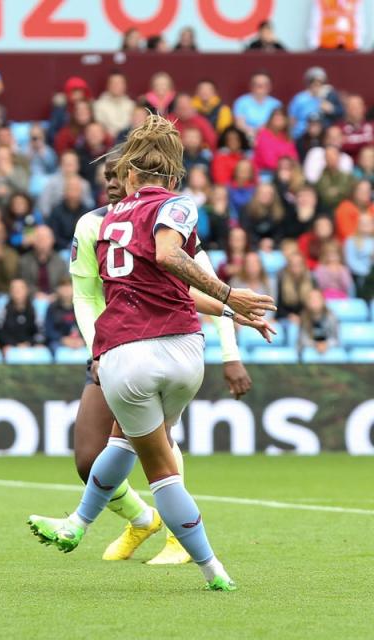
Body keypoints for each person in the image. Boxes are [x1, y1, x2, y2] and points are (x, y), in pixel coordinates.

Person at [28, 119, 274, 590]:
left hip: (128, 353)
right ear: (173, 176)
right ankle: (78, 524)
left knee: (159, 469)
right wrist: (230, 306)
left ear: (131, 175)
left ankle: (210, 567)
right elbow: (177, 275)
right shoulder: (178, 206)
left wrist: (229, 298)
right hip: (184, 352)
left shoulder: (108, 221)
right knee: (124, 441)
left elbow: (159, 263)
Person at [288, 67, 343, 140]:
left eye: (321, 83)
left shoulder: (329, 96)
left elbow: (341, 113)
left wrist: (331, 109)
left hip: (323, 137)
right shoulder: (299, 99)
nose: (317, 85)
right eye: (314, 82)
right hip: (302, 136)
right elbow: (292, 119)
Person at [18, 225, 66, 297]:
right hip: (32, 300)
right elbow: (24, 284)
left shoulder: (60, 261)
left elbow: (65, 283)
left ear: (53, 240)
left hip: (55, 299)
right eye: (39, 238)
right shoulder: (24, 261)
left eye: (46, 238)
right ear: (33, 241)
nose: (43, 241)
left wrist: (55, 295)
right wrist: (35, 294)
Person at [232, 72, 283, 139]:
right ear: (251, 86)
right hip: (247, 137)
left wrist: (262, 132)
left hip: (270, 138)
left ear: (270, 87)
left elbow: (278, 125)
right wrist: (252, 132)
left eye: (264, 84)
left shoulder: (276, 104)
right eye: (257, 84)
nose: (261, 87)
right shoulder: (241, 102)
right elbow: (240, 124)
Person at [0, 278, 40, 350]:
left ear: (26, 291)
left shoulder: (34, 309)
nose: (17, 291)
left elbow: (39, 332)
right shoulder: (4, 309)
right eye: (14, 288)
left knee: (41, 349)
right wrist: (15, 344)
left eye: (21, 288)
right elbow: (0, 332)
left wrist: (29, 343)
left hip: (30, 345)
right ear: (10, 292)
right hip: (10, 346)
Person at [44, 279, 85, 354]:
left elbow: (89, 327)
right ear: (58, 289)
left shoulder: (82, 307)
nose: (66, 290)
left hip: (80, 341)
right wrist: (63, 339)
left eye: (69, 286)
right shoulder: (52, 308)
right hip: (58, 342)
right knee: (52, 347)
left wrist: (82, 340)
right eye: (63, 287)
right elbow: (49, 331)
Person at [345, 213, 374, 288]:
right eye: (363, 223)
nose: (366, 225)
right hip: (360, 277)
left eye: (369, 223)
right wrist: (367, 273)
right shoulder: (351, 241)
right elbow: (350, 261)